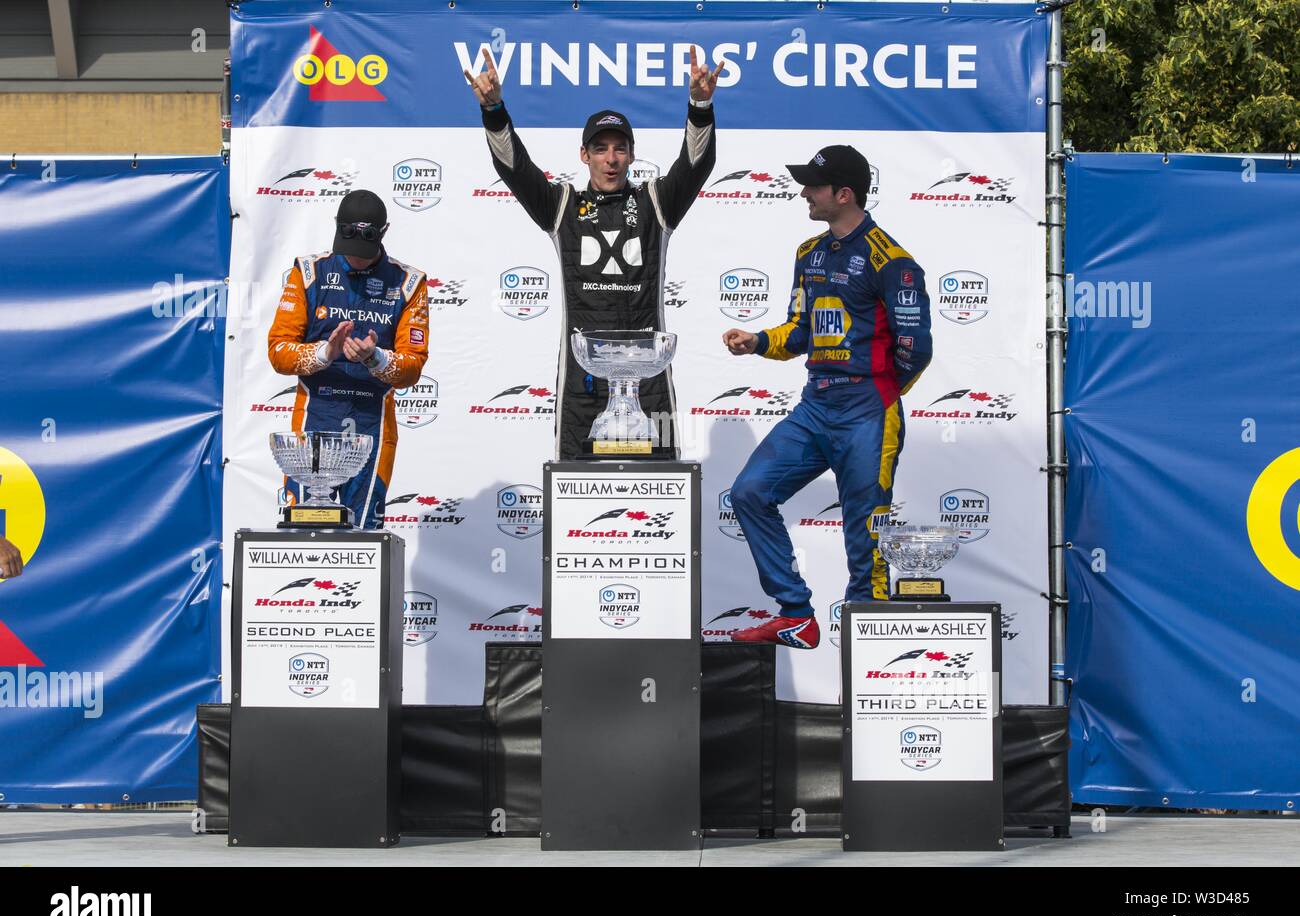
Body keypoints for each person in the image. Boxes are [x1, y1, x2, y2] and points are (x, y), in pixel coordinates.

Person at [721, 146, 933, 649]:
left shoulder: (894, 262)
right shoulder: (808, 254)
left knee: (866, 540)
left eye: (814, 186)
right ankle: (796, 613)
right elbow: (799, 332)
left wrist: (875, 393)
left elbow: (915, 349)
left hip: (867, 413)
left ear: (843, 194)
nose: (803, 193)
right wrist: (757, 342)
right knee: (749, 492)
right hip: (815, 407)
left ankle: (873, 657)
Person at [464, 48, 722, 460]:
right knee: (575, 489)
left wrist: (701, 105)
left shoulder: (657, 202)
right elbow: (515, 168)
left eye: (620, 148)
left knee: (661, 487)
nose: (611, 159)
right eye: (600, 149)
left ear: (633, 155)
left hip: (649, 376)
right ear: (584, 155)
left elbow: (696, 164)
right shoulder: (562, 206)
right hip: (583, 377)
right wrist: (494, 109)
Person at [267, 189, 430, 529]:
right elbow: (278, 351)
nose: (356, 257)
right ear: (337, 228)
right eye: (349, 247)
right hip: (316, 419)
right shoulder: (309, 272)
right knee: (305, 531)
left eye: (365, 250)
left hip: (373, 424)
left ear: (383, 233)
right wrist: (325, 352)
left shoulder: (408, 284)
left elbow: (412, 367)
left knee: (366, 536)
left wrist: (377, 359)